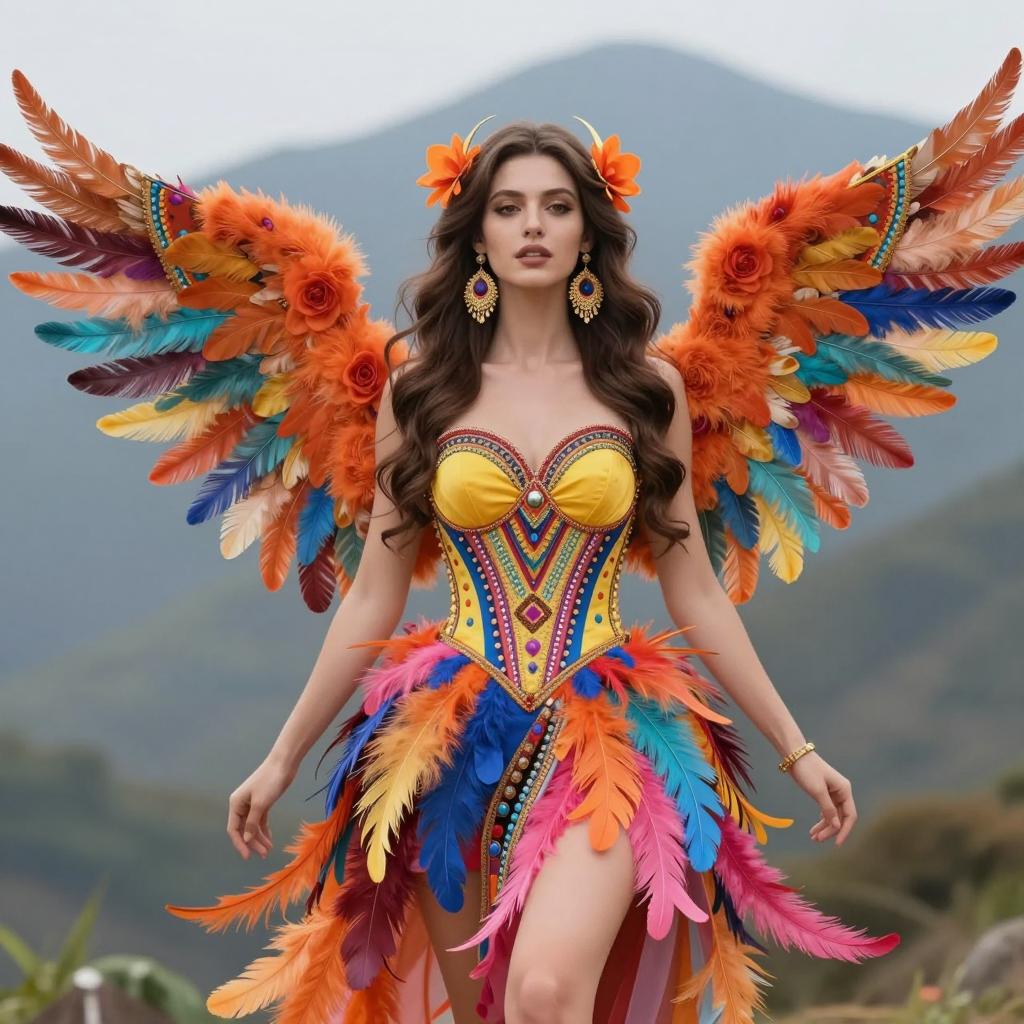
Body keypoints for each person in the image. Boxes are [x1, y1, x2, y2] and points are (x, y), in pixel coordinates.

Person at [3, 50, 1022, 1023]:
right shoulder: (419, 393)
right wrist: (280, 758)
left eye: (557, 205)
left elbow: (694, 585)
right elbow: (374, 591)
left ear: (589, 232)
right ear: (476, 234)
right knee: (490, 1009)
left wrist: (797, 749)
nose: (533, 224)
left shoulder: (648, 392)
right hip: (442, 736)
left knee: (543, 992)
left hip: (610, 729)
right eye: (508, 206)